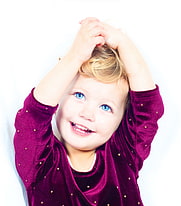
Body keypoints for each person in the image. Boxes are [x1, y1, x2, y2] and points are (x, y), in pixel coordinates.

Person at [14, 17, 164, 206]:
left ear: (122, 119)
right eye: (79, 95)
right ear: (59, 96)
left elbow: (148, 108)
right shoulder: (41, 161)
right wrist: (75, 57)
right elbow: (32, 116)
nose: (87, 114)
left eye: (105, 107)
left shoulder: (123, 154)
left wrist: (123, 42)